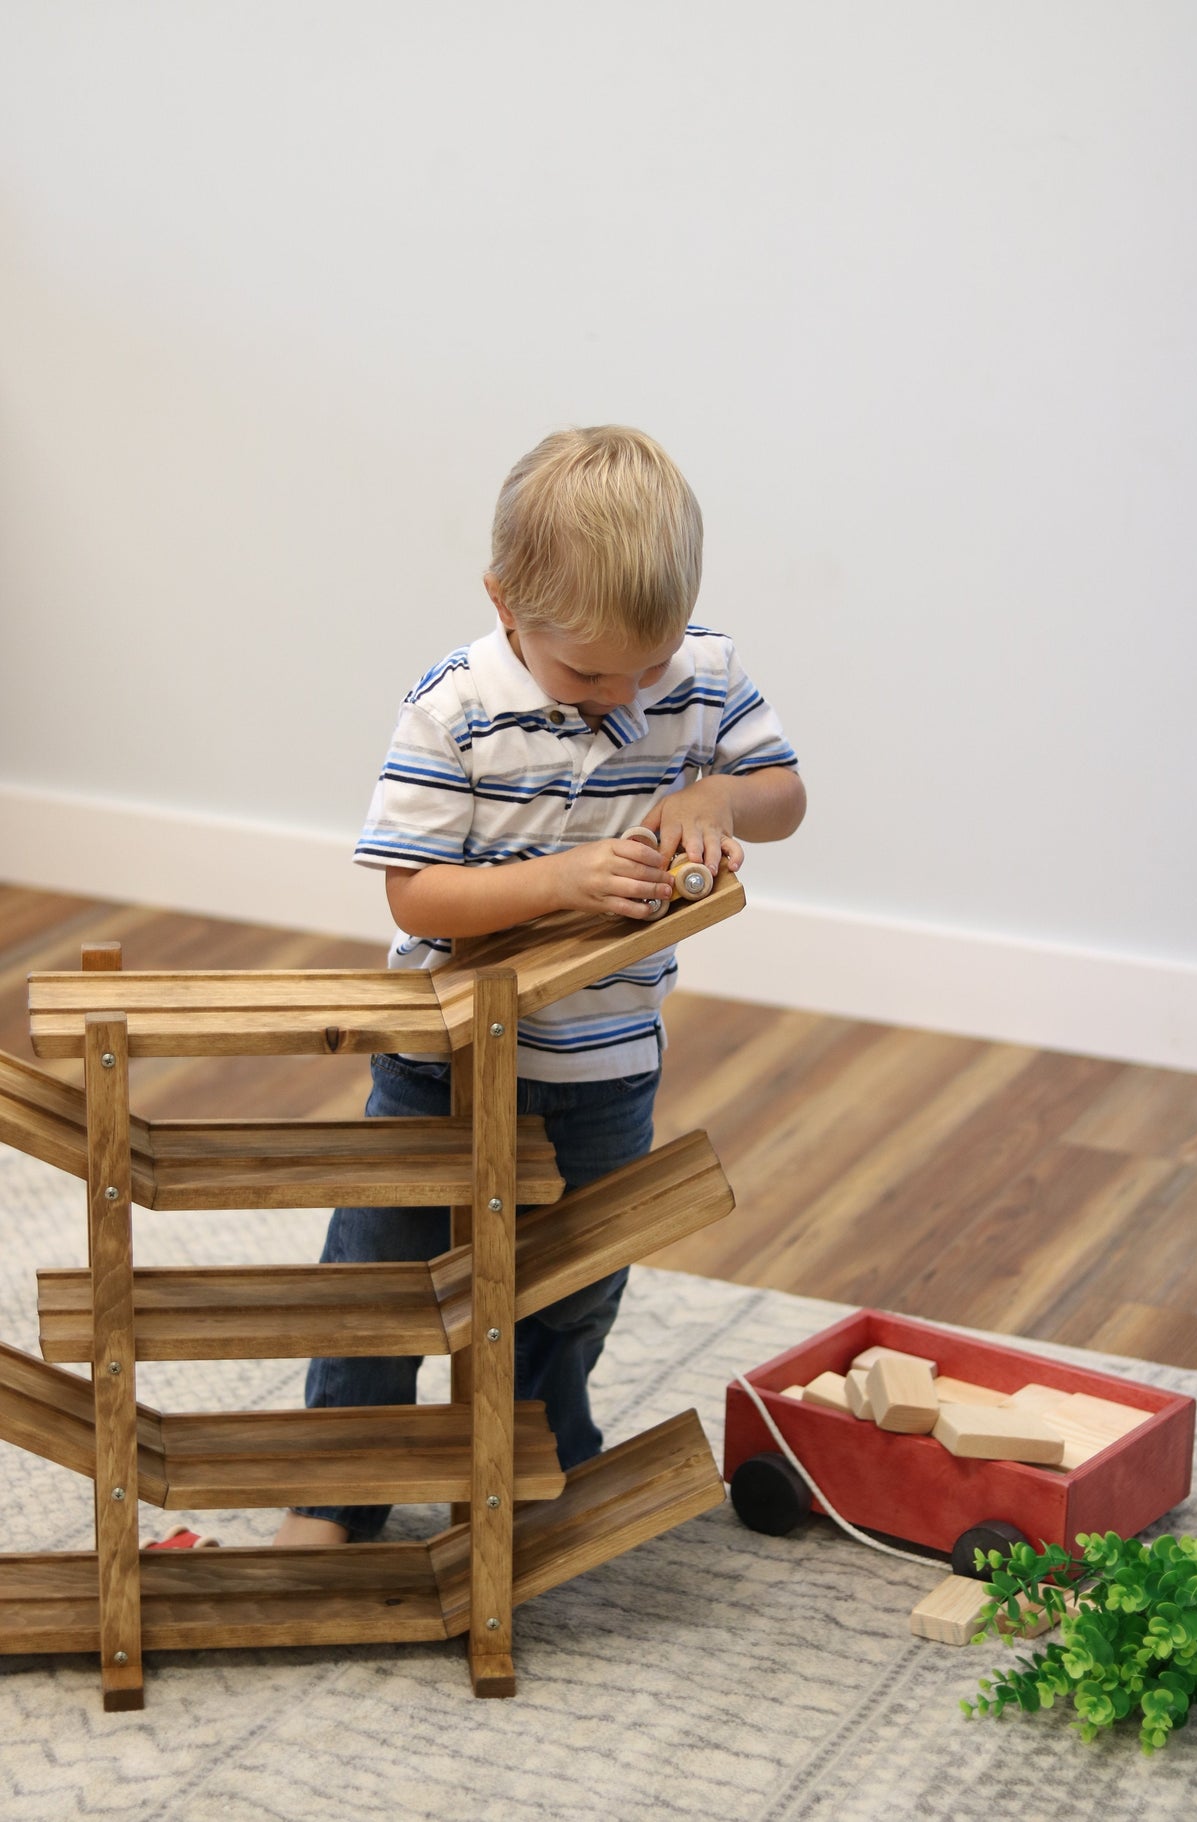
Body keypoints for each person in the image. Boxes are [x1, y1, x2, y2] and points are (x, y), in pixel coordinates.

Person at [273, 424, 805, 1547]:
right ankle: (336, 1491)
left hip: (603, 1065)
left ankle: (534, 1455)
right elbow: (412, 898)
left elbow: (783, 794)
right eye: (588, 672)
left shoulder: (699, 677)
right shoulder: (456, 706)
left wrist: (714, 798)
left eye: (644, 667)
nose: (622, 694)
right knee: (382, 1273)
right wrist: (554, 876)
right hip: (444, 1063)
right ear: (503, 600)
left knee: (571, 1283)